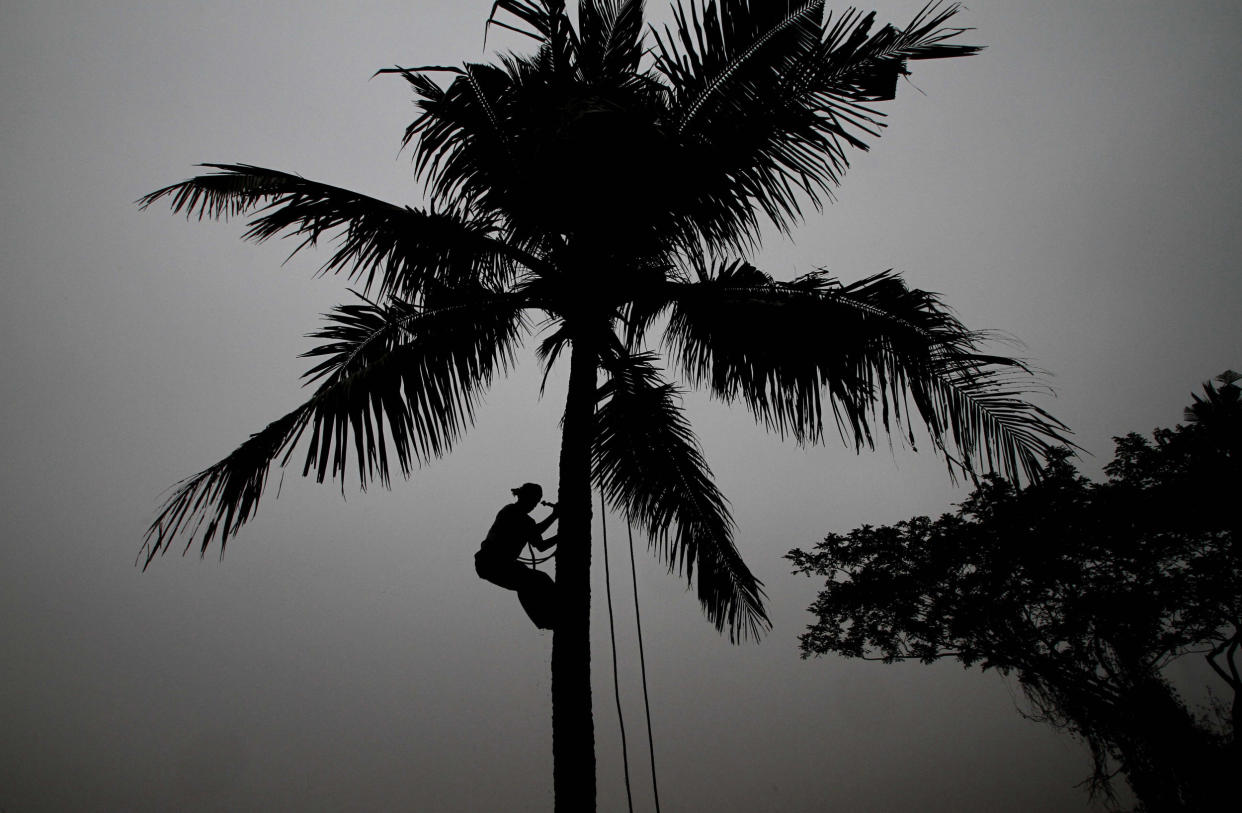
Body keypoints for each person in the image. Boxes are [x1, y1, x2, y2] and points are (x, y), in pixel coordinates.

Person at [475, 483, 559, 630]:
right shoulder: (512, 512)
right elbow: (538, 539)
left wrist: (555, 518)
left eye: (536, 502)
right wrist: (555, 518)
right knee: (538, 579)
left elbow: (539, 543)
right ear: (524, 497)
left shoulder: (517, 515)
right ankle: (553, 615)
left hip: (492, 564)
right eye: (534, 500)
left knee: (526, 585)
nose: (534, 505)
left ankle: (547, 620)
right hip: (493, 562)